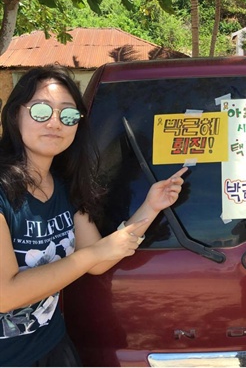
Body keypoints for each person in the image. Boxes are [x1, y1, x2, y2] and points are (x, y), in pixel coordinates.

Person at [0, 65, 187, 366]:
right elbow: (5, 295)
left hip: (52, 347)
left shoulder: (63, 186)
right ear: (15, 115)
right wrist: (91, 255)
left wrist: (151, 207)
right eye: (40, 111)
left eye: (68, 114)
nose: (55, 122)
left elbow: (99, 261)